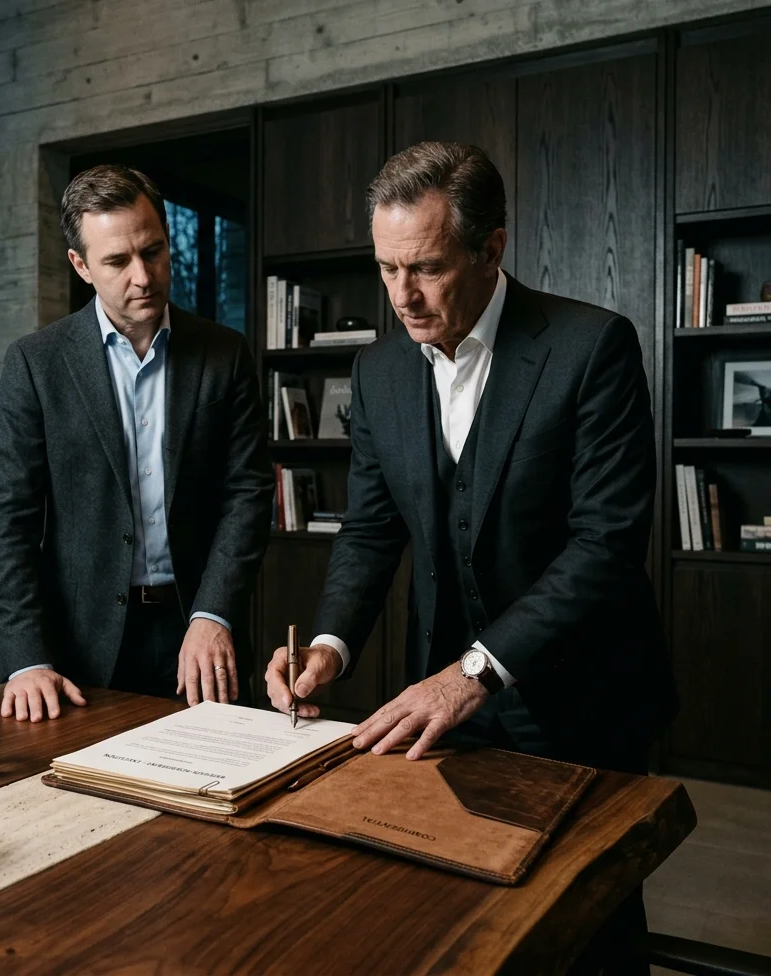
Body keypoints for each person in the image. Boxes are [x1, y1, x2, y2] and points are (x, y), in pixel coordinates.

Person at [265, 142, 677, 973]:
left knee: (589, 922)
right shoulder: (379, 369)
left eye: (425, 268)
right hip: (442, 702)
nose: (401, 296)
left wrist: (473, 672)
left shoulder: (592, 346)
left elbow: (605, 546)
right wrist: (330, 645)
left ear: (491, 249)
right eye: (385, 269)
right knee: (463, 921)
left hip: (582, 695)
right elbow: (373, 529)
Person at [0, 164, 273, 722]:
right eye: (117, 261)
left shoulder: (224, 353)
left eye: (154, 250)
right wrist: (25, 659)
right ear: (81, 266)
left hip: (197, 629)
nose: (143, 276)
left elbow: (248, 494)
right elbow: (8, 519)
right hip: (77, 648)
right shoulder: (35, 363)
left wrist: (214, 613)